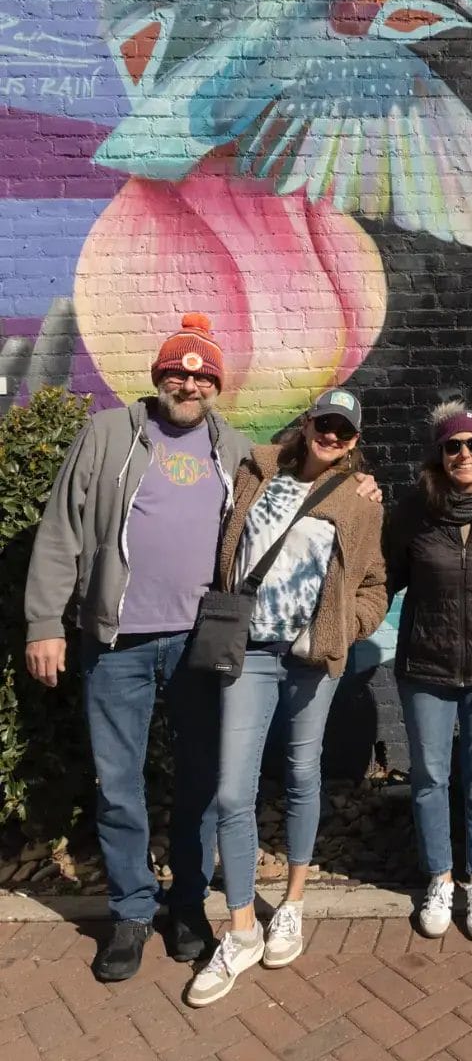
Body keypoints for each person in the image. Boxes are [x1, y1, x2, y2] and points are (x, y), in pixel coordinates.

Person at [24, 313, 248, 981]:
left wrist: (359, 484)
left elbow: (291, 502)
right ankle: (128, 912)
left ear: (215, 386)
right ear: (158, 376)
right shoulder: (107, 435)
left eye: (202, 373)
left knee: (200, 782)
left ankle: (185, 906)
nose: (190, 380)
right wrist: (43, 623)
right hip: (115, 643)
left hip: (197, 645)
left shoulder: (233, 447)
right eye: (179, 370)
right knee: (119, 786)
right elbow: (62, 528)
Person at [187, 389, 386, 1005]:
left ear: (354, 442)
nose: (331, 436)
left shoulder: (359, 500)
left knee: (303, 775)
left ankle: (293, 903)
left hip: (310, 663)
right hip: (248, 653)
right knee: (231, 790)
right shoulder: (257, 469)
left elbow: (376, 583)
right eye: (324, 423)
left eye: (343, 431)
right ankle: (242, 927)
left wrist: (347, 625)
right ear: (307, 424)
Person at [383, 401, 472, 939]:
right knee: (431, 777)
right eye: (453, 446)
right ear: (439, 455)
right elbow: (382, 576)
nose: (464, 454)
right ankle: (440, 877)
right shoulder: (415, 510)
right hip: (424, 667)